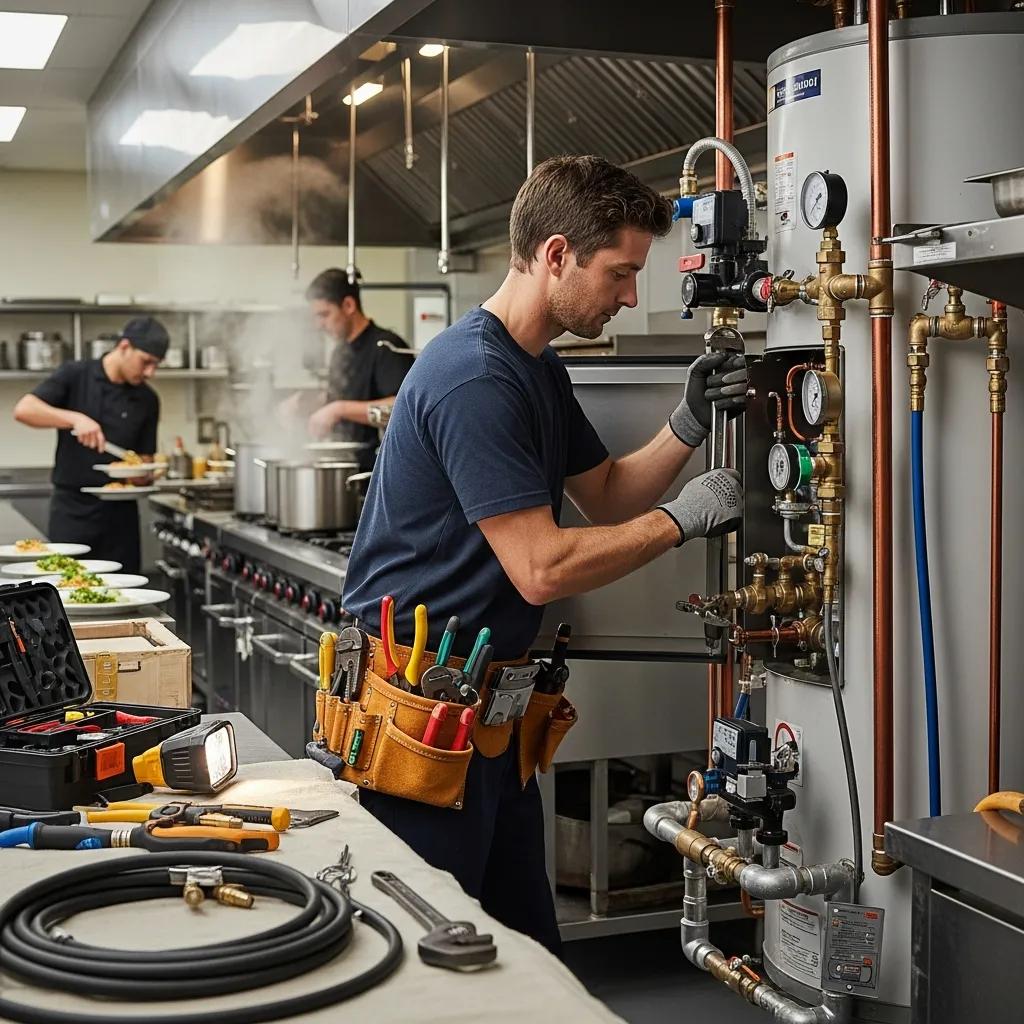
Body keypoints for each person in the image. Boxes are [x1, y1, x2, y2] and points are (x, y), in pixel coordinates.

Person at [341, 156, 747, 955]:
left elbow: (605, 493)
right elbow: (543, 566)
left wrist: (687, 424)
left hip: (485, 720)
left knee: (522, 955)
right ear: (557, 254)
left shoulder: (535, 366)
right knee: (429, 964)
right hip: (419, 724)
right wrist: (682, 520)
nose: (631, 295)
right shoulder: (473, 378)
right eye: (621, 272)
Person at [13, 317, 168, 573]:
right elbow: (24, 410)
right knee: (69, 590)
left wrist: (143, 474)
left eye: (156, 365)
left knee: (124, 593)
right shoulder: (76, 375)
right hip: (73, 512)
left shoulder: (147, 399)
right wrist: (73, 418)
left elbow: (143, 460)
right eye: (146, 361)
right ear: (124, 346)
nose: (150, 372)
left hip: (120, 519)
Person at [304, 269, 413, 468]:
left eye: (324, 315)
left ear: (348, 305)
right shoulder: (340, 352)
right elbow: (342, 397)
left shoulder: (386, 347)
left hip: (378, 471)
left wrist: (339, 409)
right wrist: (302, 403)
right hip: (347, 467)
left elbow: (403, 408)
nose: (319, 325)